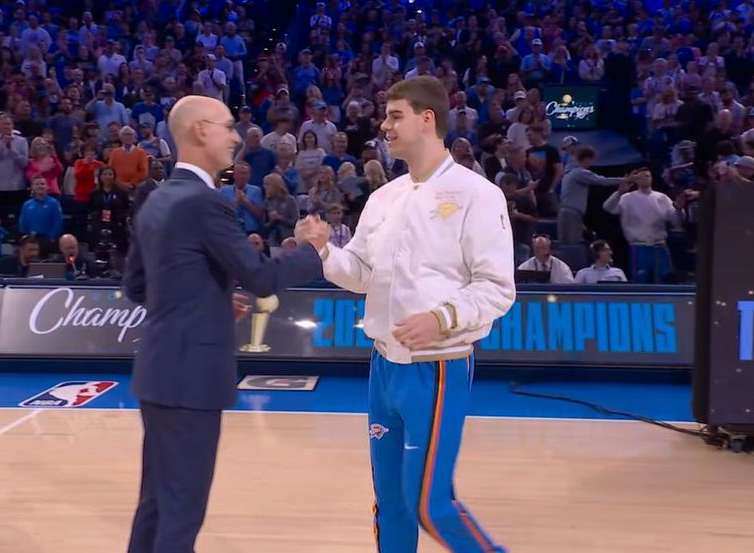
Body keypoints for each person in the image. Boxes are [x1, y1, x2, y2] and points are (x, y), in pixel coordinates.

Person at [296, 76, 514, 553]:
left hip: (437, 366)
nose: (384, 126)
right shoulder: (383, 198)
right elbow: (361, 273)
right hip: (383, 365)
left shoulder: (477, 195)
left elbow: (497, 288)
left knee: (430, 506)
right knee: (391, 503)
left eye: (395, 116)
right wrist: (325, 251)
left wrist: (442, 318)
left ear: (426, 119)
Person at [123, 95, 326, 553]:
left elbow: (138, 286)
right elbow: (261, 278)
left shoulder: (155, 198)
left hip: (157, 372)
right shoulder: (204, 203)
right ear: (200, 130)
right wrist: (313, 249)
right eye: (228, 126)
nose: (235, 136)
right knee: (181, 515)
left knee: (156, 505)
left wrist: (209, 300)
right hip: (191, 378)